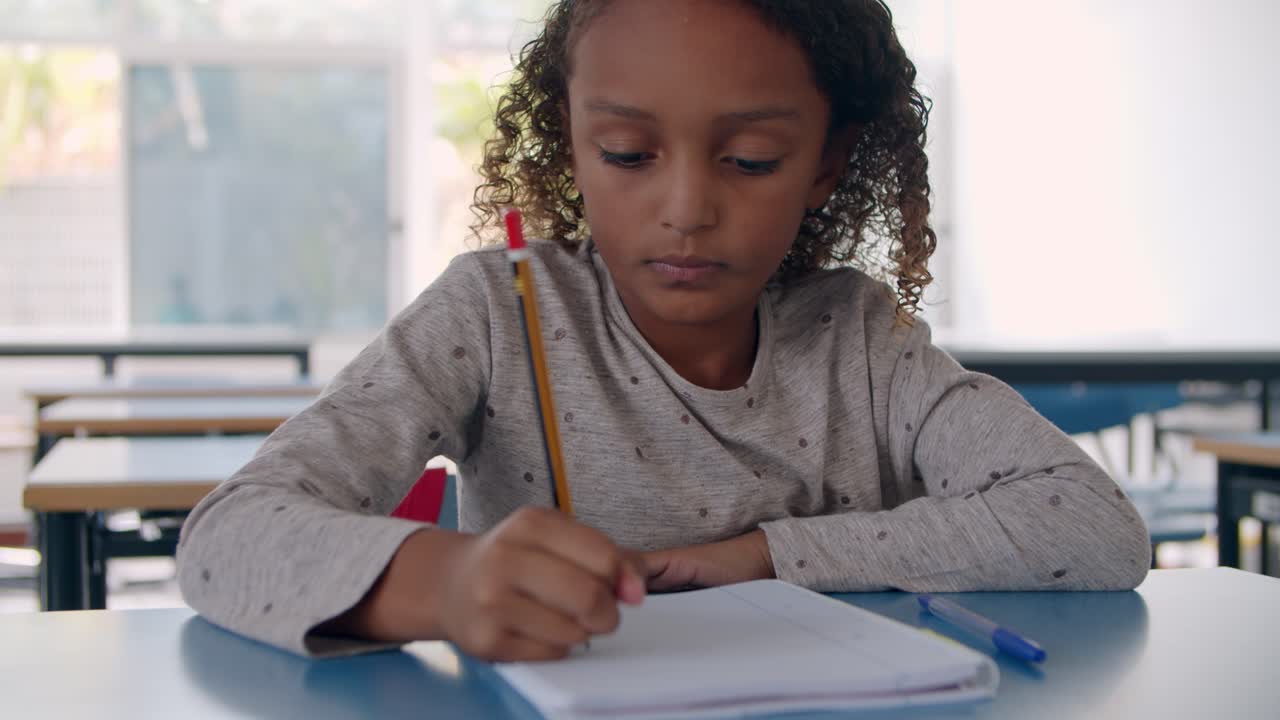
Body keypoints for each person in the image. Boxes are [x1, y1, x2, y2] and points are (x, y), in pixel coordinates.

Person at [177, 0, 1151, 662]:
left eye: (751, 159)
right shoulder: (495, 314)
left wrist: (767, 554)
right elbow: (227, 540)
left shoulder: (863, 342)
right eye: (627, 152)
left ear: (824, 162)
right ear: (569, 139)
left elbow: (1092, 530)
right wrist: (447, 584)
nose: (685, 207)